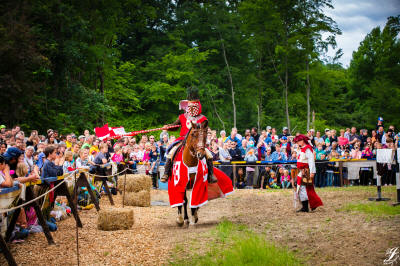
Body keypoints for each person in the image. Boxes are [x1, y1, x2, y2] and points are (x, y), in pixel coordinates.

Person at [161, 89, 216, 183]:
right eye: (189, 106)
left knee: (209, 154)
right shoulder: (182, 116)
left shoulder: (202, 118)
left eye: (193, 106)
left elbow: (204, 130)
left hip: (197, 141)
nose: (191, 109)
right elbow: (175, 126)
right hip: (183, 139)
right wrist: (168, 127)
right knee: (171, 152)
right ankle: (166, 173)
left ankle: (211, 175)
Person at [293, 134, 323, 212]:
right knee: (301, 188)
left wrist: (312, 172)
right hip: (301, 171)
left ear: (303, 141)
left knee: (304, 189)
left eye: (298, 141)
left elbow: (311, 161)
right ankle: (307, 206)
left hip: (306, 172)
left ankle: (306, 207)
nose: (297, 143)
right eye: (297, 142)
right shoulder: (302, 149)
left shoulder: (307, 149)